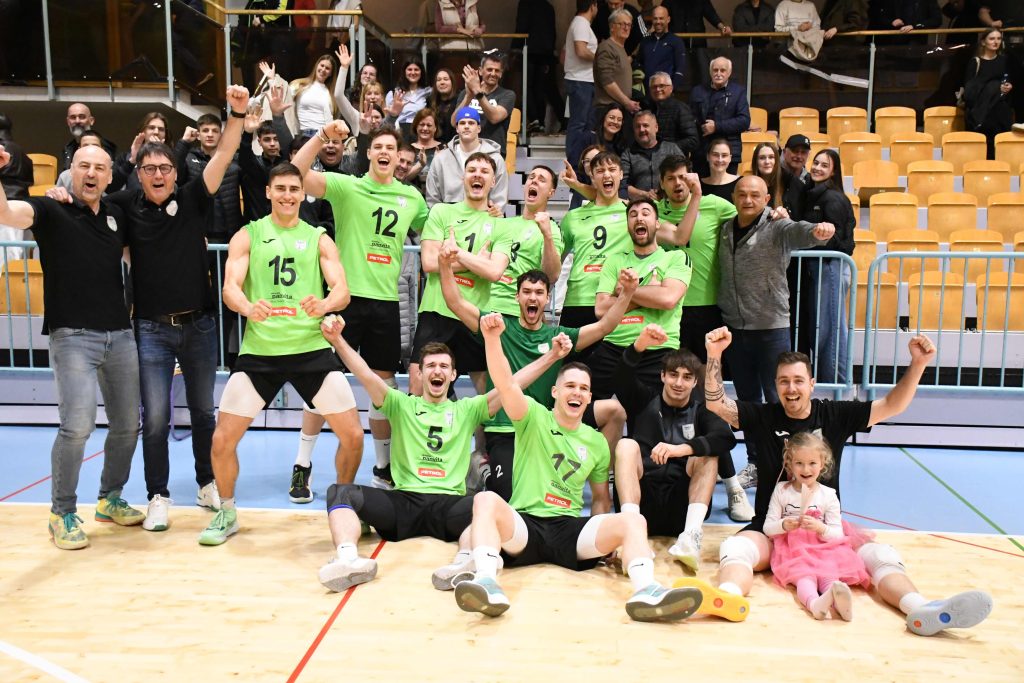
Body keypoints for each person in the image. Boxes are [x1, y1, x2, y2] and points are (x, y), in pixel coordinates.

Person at [702, 329, 995, 636]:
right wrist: (714, 355)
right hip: (774, 530)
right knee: (736, 548)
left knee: (881, 556)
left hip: (826, 532)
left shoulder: (834, 414)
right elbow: (717, 404)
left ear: (812, 384)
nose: (791, 388)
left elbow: (891, 405)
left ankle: (921, 609)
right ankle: (727, 598)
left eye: (798, 380)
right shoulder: (763, 416)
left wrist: (918, 364)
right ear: (775, 385)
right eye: (784, 381)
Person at [451, 313, 705, 623]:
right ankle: (487, 583)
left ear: (589, 397)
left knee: (633, 520)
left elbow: (600, 499)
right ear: (555, 392)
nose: (577, 392)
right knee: (485, 500)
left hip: (569, 530)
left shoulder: (596, 441)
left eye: (584, 388)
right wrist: (492, 339)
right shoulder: (533, 416)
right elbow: (505, 384)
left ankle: (646, 590)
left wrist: (607, 544)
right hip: (526, 526)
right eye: (570, 386)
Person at [316, 316, 568, 592]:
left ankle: (464, 562)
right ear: (420, 374)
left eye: (444, 366)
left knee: (485, 506)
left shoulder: (467, 409)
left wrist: (552, 356)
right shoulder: (400, 404)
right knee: (340, 493)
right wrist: (337, 340)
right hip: (404, 502)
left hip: (449, 506)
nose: (437, 371)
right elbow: (365, 373)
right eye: (431, 366)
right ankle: (349, 560)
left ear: (453, 375)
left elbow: (511, 384)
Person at [98, 89, 247, 531]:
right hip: (151, 330)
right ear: (139, 174)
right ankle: (157, 495)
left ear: (175, 171)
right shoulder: (126, 206)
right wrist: (61, 193)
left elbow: (225, 153)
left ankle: (206, 483)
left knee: (203, 413)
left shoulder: (194, 197)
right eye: (150, 169)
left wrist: (238, 113)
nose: (159, 174)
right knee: (157, 420)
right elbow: (91, 198)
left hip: (199, 326)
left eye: (165, 168)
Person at [198, 162, 363, 546]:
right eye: (281, 189)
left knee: (354, 435)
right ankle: (227, 512)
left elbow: (342, 290)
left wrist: (324, 304)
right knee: (222, 440)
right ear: (269, 192)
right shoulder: (248, 235)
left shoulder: (319, 238)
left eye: (294, 189)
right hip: (261, 351)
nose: (288, 195)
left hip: (310, 348)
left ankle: (343, 506)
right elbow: (230, 288)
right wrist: (247, 307)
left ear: (303, 193)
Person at [0, 143, 144, 549]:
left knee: (126, 425)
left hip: (120, 335)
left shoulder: (116, 214)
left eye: (99, 167)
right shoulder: (51, 209)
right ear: (71, 172)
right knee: (77, 426)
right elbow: (6, 213)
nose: (91, 173)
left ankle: (109, 499)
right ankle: (61, 511)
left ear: (110, 176)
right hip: (72, 336)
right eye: (84, 166)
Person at [290, 123, 428, 497]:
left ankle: (382, 468)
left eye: (391, 148)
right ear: (368, 153)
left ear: (400, 156)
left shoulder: (411, 198)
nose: (384, 152)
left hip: (386, 303)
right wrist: (322, 136)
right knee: (321, 382)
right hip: (344, 300)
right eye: (377, 146)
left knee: (382, 387)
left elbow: (438, 227)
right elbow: (296, 173)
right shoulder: (347, 186)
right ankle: (302, 466)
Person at [717, 175, 835, 489]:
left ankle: (791, 466)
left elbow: (802, 231)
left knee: (781, 398)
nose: (748, 200)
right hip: (736, 328)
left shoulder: (777, 226)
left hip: (771, 328)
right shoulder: (725, 228)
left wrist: (818, 230)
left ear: (767, 198)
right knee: (748, 403)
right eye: (742, 194)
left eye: (755, 195)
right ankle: (756, 463)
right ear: (734, 196)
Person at [654, 156, 752, 522]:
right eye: (670, 178)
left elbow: (750, 216)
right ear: (662, 183)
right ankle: (669, 473)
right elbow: (679, 237)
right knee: (678, 398)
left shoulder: (716, 204)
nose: (678, 183)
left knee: (711, 401)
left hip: (708, 313)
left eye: (683, 176)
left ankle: (732, 484)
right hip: (669, 315)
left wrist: (776, 214)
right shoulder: (657, 213)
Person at [613, 324, 738, 569]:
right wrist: (639, 345)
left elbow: (725, 438)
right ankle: (632, 533)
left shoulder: (702, 410)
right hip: (643, 503)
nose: (679, 382)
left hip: (681, 507)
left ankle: (691, 537)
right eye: (673, 375)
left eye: (687, 377)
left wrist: (680, 449)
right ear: (663, 376)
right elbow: (620, 378)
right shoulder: (643, 400)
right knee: (626, 445)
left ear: (695, 382)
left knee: (708, 454)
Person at [410, 152, 512, 397]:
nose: (477, 175)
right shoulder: (441, 212)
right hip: (437, 312)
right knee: (418, 387)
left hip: (474, 315)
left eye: (484, 171)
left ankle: (469, 422)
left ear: (493, 181)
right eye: (472, 170)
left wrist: (455, 255)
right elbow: (429, 263)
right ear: (462, 177)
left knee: (489, 394)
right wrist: (478, 262)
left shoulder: (501, 224)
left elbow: (494, 271)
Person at [587, 197, 693, 399]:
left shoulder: (676, 258)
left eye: (646, 213)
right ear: (628, 225)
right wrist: (650, 292)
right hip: (614, 345)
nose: (639, 218)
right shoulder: (615, 261)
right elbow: (601, 310)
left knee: (650, 412)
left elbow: (668, 299)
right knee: (587, 401)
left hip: (658, 348)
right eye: (633, 215)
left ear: (657, 223)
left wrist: (625, 291)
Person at [764, 432, 868, 621]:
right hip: (793, 550)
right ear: (789, 464)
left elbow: (837, 534)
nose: (806, 469)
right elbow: (768, 528)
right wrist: (783, 525)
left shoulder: (828, 495)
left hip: (825, 548)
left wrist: (821, 528)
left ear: (822, 463)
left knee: (829, 574)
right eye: (799, 463)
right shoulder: (782, 490)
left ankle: (839, 604)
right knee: (804, 576)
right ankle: (814, 604)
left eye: (812, 463)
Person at [797, 149, 855, 384]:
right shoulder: (814, 194)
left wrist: (815, 237)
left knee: (830, 332)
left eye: (824, 165)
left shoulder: (832, 198)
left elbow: (842, 242)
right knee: (822, 330)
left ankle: (835, 388)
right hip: (821, 268)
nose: (817, 168)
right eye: (816, 163)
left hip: (830, 267)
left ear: (834, 171)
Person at [557, 151, 632, 331]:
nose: (606, 174)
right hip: (577, 301)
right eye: (600, 171)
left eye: (612, 169)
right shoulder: (573, 217)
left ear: (621, 174)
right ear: (592, 176)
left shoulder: (634, 213)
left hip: (615, 300)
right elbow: (555, 261)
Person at [426, 106, 508, 209]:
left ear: (479, 128)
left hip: (483, 215)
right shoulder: (441, 158)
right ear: (457, 128)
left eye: (471, 123)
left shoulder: (495, 159)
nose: (466, 126)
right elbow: (432, 197)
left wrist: (493, 213)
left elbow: (500, 197)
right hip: (448, 216)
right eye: (462, 123)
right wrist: (438, 216)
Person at [689, 58, 750, 175]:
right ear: (710, 71)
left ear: (729, 73)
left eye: (723, 70)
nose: (718, 73)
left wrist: (716, 127)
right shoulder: (697, 91)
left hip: (729, 153)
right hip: (701, 153)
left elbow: (744, 121)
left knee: (727, 186)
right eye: (715, 70)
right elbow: (690, 119)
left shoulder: (738, 92)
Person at [451, 53, 516, 157]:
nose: (493, 74)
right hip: (466, 151)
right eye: (489, 69)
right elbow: (454, 122)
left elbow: (494, 117)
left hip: (493, 152)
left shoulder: (507, 94)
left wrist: (477, 92)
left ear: (501, 74)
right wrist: (468, 96)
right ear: (480, 71)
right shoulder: (465, 93)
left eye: (497, 70)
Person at [963, 28, 1015, 157]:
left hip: (1000, 111)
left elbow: (1009, 80)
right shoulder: (975, 62)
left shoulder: (1005, 61)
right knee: (982, 151)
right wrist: (995, 87)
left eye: (998, 38)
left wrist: (1008, 86)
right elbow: (970, 90)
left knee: (1001, 150)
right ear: (983, 42)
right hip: (982, 113)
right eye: (992, 39)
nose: (996, 42)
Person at [512, 0, 561, 134]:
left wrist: (514, 48)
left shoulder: (525, 3)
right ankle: (541, 121)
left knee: (527, 86)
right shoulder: (548, 7)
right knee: (539, 88)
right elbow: (552, 32)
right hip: (545, 52)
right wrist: (551, 53)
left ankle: (534, 119)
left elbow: (521, 26)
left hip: (529, 50)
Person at [621, 111, 684, 201]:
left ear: (656, 127)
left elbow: (685, 176)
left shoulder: (672, 149)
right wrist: (645, 195)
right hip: (639, 204)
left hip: (671, 202)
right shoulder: (627, 154)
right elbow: (622, 184)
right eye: (637, 126)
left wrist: (664, 194)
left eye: (645, 125)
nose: (641, 129)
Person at [565, 0, 600, 160]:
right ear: (593, 6)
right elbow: (581, 51)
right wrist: (601, 59)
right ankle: (573, 159)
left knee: (586, 123)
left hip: (585, 80)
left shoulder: (582, 24)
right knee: (579, 123)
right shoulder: (581, 23)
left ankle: (584, 158)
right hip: (580, 80)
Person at [593, 9, 640, 118]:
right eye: (622, 24)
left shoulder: (620, 48)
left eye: (629, 25)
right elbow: (607, 81)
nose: (626, 28)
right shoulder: (607, 47)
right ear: (612, 26)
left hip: (618, 108)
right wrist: (627, 102)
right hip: (608, 110)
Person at [0, 114, 32, 264]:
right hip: (22, 205)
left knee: (6, 258)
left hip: (4, 207)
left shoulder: (2, 151)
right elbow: (30, 180)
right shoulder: (22, 152)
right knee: (17, 254)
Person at [643, 72, 700, 155]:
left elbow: (693, 140)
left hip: (673, 158)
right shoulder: (646, 108)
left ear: (671, 88)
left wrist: (667, 149)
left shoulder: (680, 108)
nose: (658, 89)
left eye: (662, 86)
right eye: (654, 87)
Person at [636, 5, 686, 91]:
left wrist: (671, 89)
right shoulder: (645, 41)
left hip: (665, 92)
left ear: (668, 19)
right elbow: (638, 64)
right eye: (655, 18)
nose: (658, 21)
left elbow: (680, 70)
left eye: (661, 18)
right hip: (646, 92)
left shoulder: (676, 41)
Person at [291, 54, 338, 137]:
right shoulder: (299, 85)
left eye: (327, 68)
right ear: (317, 66)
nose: (323, 69)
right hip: (304, 134)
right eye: (322, 65)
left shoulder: (331, 94)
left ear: (330, 73)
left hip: (323, 135)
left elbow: (331, 118)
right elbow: (284, 100)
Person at [60, 103, 117, 172]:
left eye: (82, 117)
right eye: (73, 117)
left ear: (91, 121)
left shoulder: (106, 146)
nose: (77, 121)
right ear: (68, 122)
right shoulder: (68, 148)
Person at [385, 58, 431, 140]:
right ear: (404, 72)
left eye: (416, 69)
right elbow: (388, 120)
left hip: (420, 132)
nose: (413, 72)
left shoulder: (428, 92)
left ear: (421, 72)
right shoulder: (394, 93)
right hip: (398, 133)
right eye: (409, 69)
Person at [781, 133, 810, 218]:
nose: (799, 156)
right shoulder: (774, 177)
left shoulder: (811, 181)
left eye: (803, 152)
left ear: (808, 155)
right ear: (784, 152)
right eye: (795, 151)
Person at [429, 67, 460, 143]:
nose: (442, 82)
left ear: (452, 82)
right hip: (434, 144)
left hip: (455, 144)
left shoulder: (459, 100)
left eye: (446, 79)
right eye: (439, 80)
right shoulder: (429, 101)